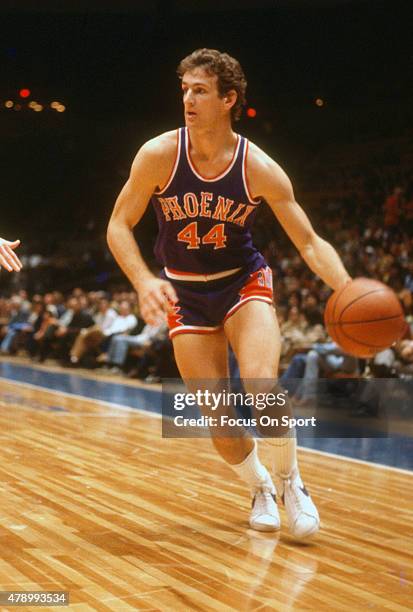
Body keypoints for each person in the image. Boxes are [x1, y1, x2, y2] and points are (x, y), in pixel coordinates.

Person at [107, 48, 351, 539]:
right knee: (218, 418)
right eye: (185, 90)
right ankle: (259, 485)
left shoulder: (258, 166)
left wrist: (347, 290)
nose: (188, 99)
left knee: (262, 386)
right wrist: (143, 279)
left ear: (228, 99)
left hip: (243, 284)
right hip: (187, 295)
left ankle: (291, 484)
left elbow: (307, 240)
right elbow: (118, 224)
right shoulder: (158, 154)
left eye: (200, 90)